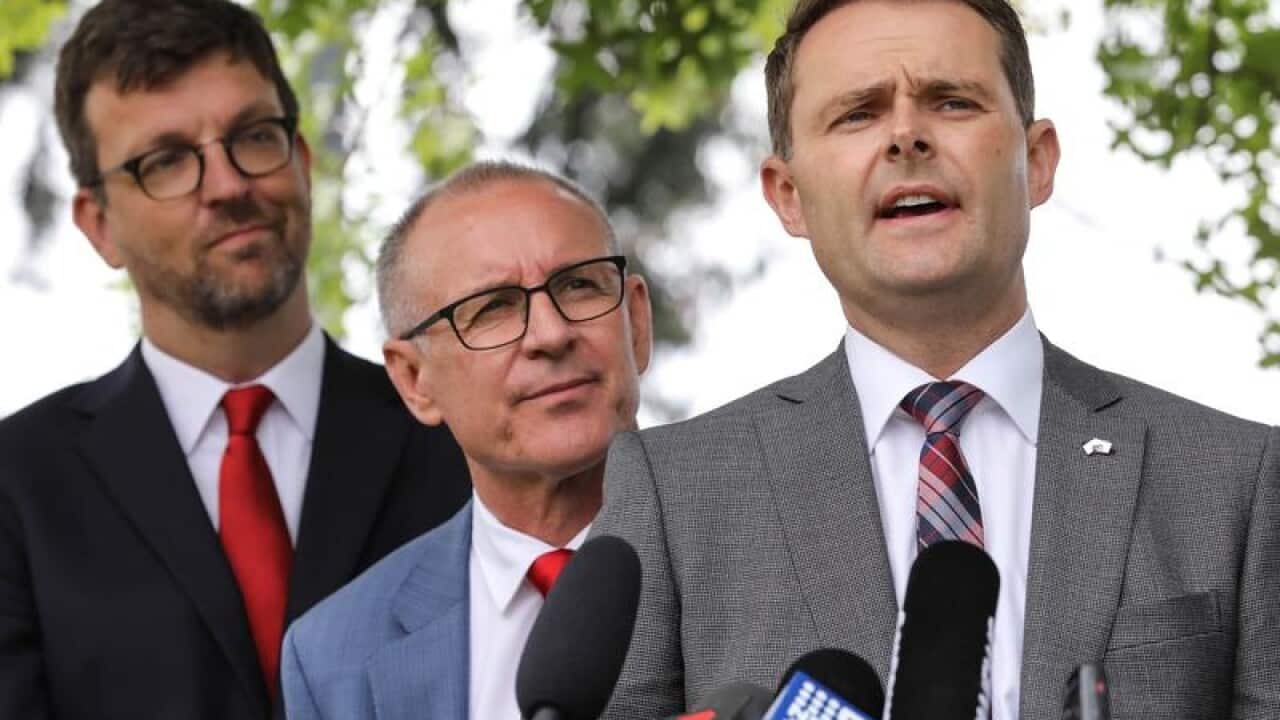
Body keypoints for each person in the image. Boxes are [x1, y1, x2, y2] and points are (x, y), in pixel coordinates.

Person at [594, 1, 1280, 719]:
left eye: (951, 102)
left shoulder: (1238, 481)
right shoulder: (674, 493)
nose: (906, 138)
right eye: (857, 114)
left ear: (1037, 160)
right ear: (788, 196)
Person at [0, 1, 471, 718]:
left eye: (253, 137)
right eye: (165, 162)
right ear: (99, 226)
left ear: (303, 162)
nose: (227, 185)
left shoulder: (457, 437)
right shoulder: (18, 487)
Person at [280, 162, 653, 720]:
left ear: (637, 322)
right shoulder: (332, 656)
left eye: (578, 285)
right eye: (493, 309)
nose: (551, 335)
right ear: (414, 380)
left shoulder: (786, 537)